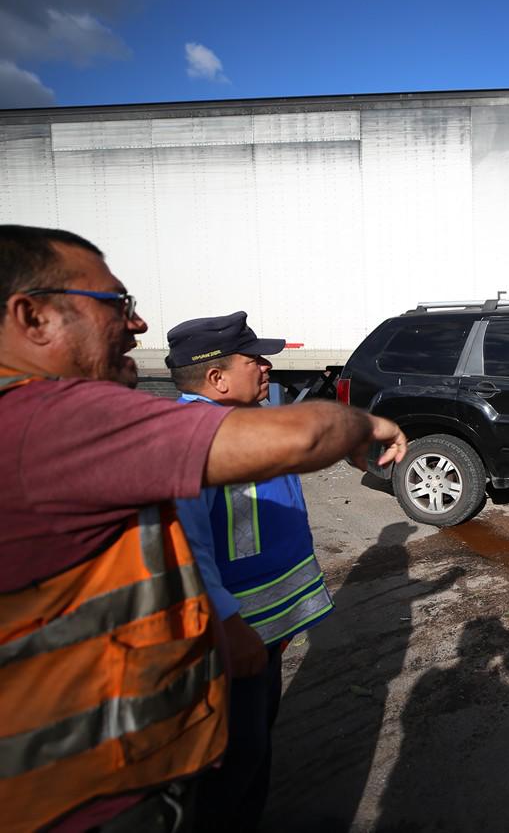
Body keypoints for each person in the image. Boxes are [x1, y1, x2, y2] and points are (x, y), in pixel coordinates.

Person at [0, 225, 407, 832]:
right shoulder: (50, 419)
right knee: (237, 772)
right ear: (33, 318)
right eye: (118, 304)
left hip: (115, 760)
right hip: (87, 796)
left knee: (245, 759)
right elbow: (296, 441)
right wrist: (367, 427)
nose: (137, 326)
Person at [166, 311, 336, 832]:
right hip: (229, 641)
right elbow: (183, 552)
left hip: (261, 633)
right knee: (232, 764)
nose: (266, 368)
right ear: (216, 379)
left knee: (254, 749)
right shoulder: (191, 443)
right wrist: (230, 624)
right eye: (253, 360)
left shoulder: (240, 425)